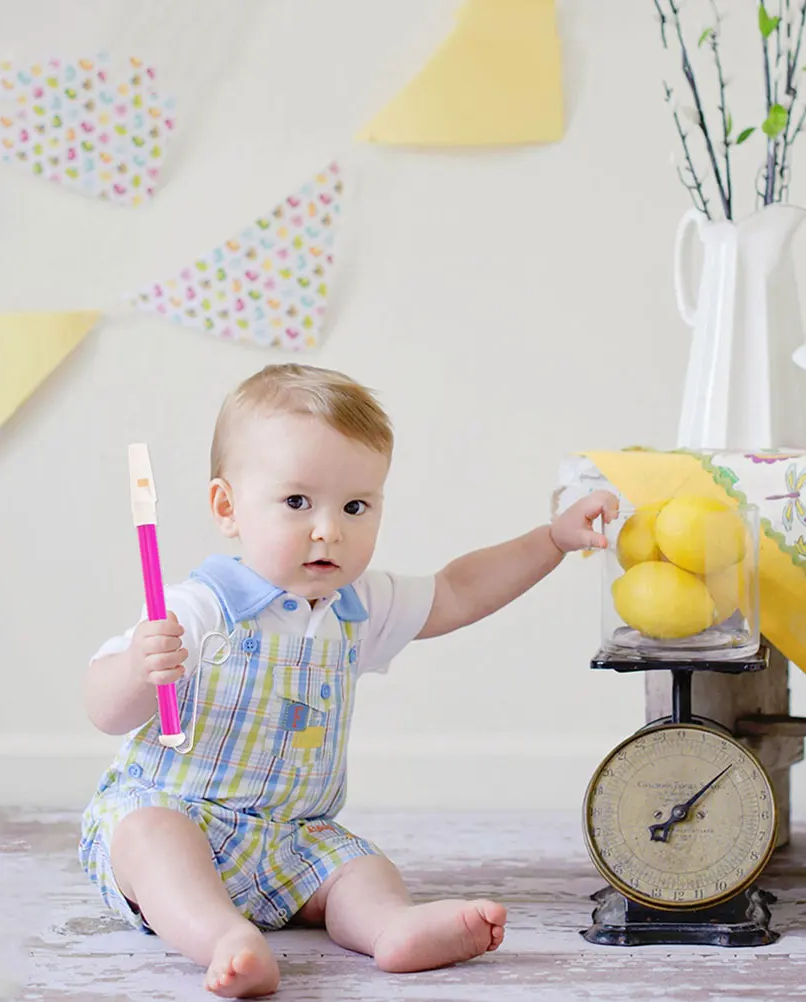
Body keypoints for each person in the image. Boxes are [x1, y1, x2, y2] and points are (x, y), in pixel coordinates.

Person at [79, 363, 617, 998]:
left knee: (357, 867)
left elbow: (459, 590)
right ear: (228, 507)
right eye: (297, 502)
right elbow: (104, 710)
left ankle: (391, 927)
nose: (329, 529)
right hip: (180, 815)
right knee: (152, 840)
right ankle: (222, 937)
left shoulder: (355, 607)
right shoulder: (198, 608)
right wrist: (138, 671)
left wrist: (552, 540)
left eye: (355, 506)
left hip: (291, 840)